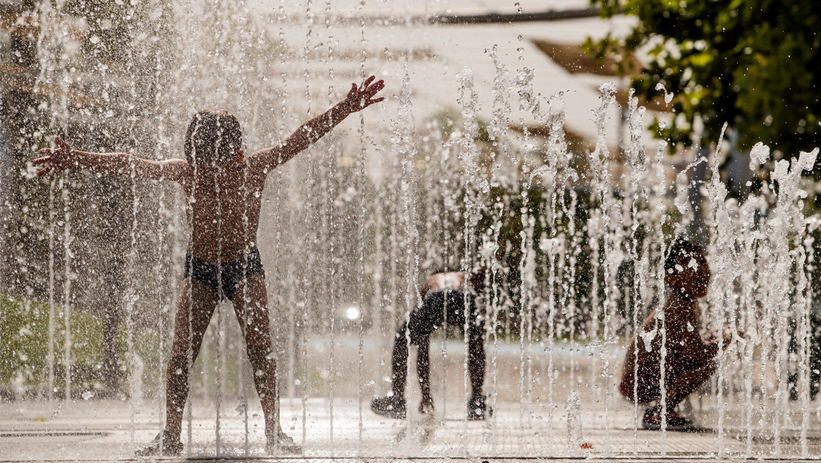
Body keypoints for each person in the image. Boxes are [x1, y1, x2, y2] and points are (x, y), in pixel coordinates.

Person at [34, 76, 385, 456]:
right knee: (180, 353)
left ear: (236, 155)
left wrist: (346, 108)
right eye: (202, 167)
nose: (210, 177)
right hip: (200, 268)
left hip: (244, 267)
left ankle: (273, 431)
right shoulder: (188, 172)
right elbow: (131, 164)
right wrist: (76, 159)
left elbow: (302, 136)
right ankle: (169, 433)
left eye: (217, 167)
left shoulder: (254, 167)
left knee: (261, 348)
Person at [618, 238, 732, 431]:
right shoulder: (678, 307)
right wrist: (724, 340)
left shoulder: (686, 303)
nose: (702, 271)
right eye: (692, 267)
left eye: (703, 263)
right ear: (669, 278)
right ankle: (659, 414)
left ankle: (665, 410)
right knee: (704, 365)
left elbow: (689, 346)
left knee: (693, 361)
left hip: (641, 377)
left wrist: (711, 340)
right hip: (637, 381)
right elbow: (695, 354)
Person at [370, 268, 489, 420]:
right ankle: (477, 402)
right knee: (475, 344)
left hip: (437, 299)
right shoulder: (462, 278)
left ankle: (397, 400)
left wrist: (426, 395)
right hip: (463, 300)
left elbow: (422, 349)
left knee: (403, 339)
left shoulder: (431, 281)